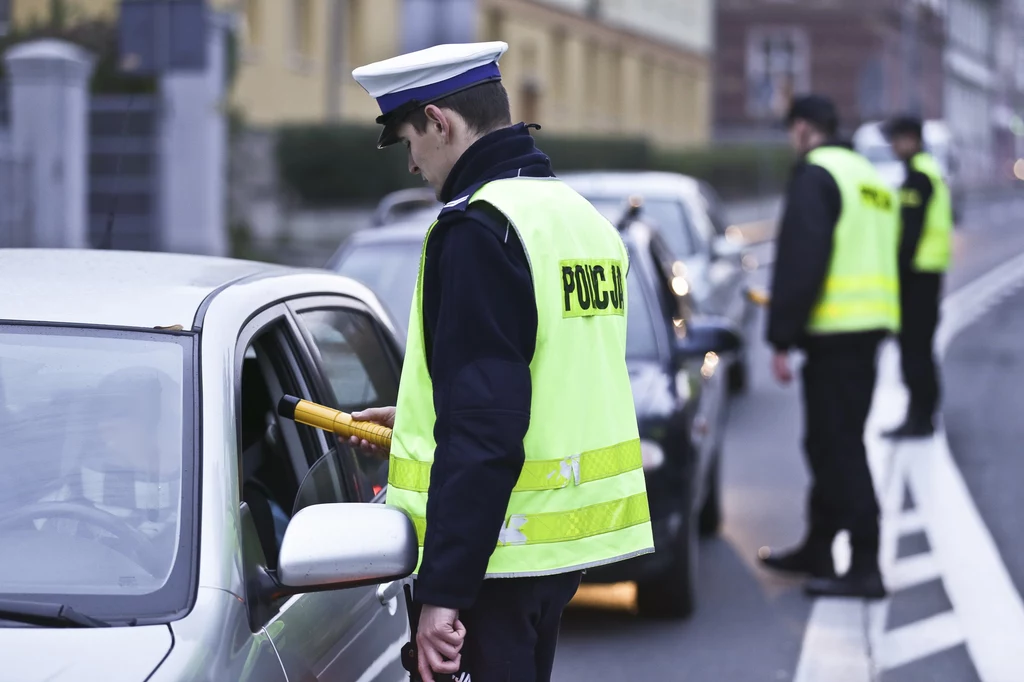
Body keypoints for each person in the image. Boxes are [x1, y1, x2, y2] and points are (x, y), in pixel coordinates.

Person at [348, 42, 654, 682]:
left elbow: (487, 426)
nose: (412, 165)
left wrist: (445, 593)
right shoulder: (582, 221)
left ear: (440, 121)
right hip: (554, 551)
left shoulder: (479, 229)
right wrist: (418, 421)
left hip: (496, 557)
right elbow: (550, 378)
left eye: (410, 141)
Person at [757, 95, 901, 599]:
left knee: (837, 447)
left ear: (802, 129)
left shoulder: (817, 174)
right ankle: (819, 545)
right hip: (871, 326)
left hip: (836, 331)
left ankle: (865, 563)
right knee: (831, 441)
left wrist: (780, 337)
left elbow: (802, 259)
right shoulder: (867, 177)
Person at [881, 115, 952, 439]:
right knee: (920, 348)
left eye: (897, 139)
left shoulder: (918, 178)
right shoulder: (926, 171)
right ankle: (923, 414)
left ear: (913, 140)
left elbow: (910, 234)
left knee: (914, 350)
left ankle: (919, 419)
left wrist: (896, 273)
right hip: (927, 274)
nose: (893, 146)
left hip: (917, 276)